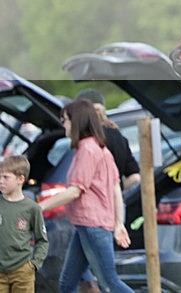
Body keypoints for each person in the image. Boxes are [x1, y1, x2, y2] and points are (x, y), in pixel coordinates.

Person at [38, 100, 134, 293]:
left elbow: (75, 190)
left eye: (65, 120)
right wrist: (118, 223)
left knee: (109, 282)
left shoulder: (87, 150)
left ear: (77, 121)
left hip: (92, 227)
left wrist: (39, 207)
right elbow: (116, 187)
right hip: (87, 226)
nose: (63, 124)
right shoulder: (100, 148)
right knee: (67, 284)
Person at [75, 89, 141, 191]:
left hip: (93, 204)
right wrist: (115, 191)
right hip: (116, 203)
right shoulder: (119, 137)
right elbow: (135, 177)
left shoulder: (87, 141)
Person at [0, 156, 48, 293]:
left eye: (5, 177)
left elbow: (42, 240)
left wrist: (34, 264)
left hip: (22, 271)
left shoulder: (32, 209)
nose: (1, 181)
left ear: (20, 179)